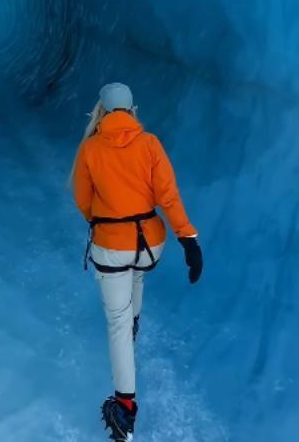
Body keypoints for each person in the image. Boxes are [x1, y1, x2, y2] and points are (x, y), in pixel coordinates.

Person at [71, 82, 204, 441]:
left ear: (101, 110)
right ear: (132, 110)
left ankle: (125, 407)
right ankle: (132, 324)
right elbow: (169, 197)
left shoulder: (90, 149)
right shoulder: (149, 144)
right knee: (136, 280)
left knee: (115, 322)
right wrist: (188, 239)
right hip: (150, 246)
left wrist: (102, 220)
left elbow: (82, 200)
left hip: (111, 246)